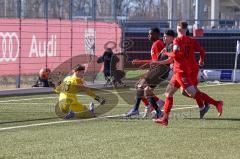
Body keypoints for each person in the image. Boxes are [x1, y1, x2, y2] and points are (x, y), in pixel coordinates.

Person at [154, 21, 223, 126]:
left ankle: (216, 103)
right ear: (186, 29)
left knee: (192, 93)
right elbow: (202, 51)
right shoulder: (191, 40)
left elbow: (176, 55)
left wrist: (166, 53)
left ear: (178, 28)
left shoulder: (177, 40)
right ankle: (165, 119)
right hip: (180, 71)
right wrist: (201, 60)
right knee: (168, 93)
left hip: (182, 72)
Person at [126, 28, 166, 118]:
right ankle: (156, 106)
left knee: (141, 86)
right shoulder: (155, 44)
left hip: (158, 70)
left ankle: (137, 109)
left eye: (150, 34)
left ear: (156, 34)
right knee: (140, 86)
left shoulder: (158, 43)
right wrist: (142, 63)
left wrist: (145, 63)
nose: (148, 36)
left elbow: (160, 60)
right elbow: (155, 60)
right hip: (156, 69)